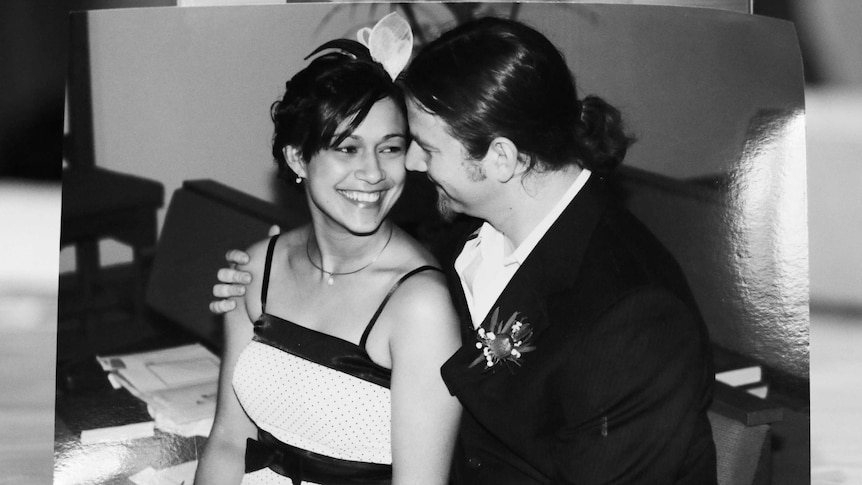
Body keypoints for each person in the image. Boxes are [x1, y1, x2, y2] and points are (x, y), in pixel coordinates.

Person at [212, 17, 716, 484]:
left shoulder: (632, 312)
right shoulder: (460, 237)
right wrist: (277, 272)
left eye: (424, 148)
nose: (406, 164)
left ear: (499, 158)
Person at [195, 13, 461, 485]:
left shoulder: (418, 306)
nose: (374, 173)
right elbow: (229, 440)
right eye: (347, 148)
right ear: (298, 157)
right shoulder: (258, 268)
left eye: (390, 148)